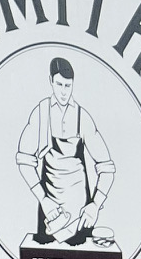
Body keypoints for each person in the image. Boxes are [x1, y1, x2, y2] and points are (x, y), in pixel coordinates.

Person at [14, 57, 117, 248]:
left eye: (67, 86)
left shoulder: (82, 117)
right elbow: (24, 161)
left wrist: (95, 205)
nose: (63, 92)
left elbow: (107, 168)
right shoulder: (41, 112)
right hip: (49, 210)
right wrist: (43, 199)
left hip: (80, 212)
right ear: (50, 81)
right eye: (59, 84)